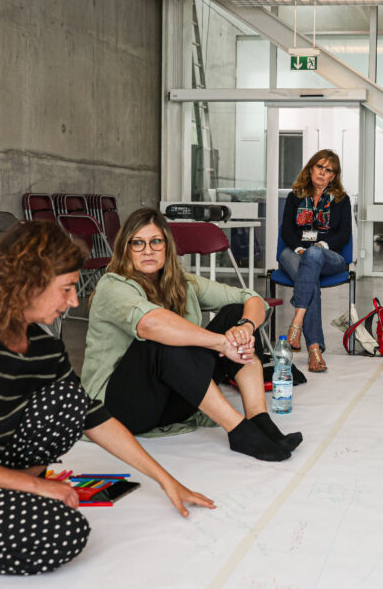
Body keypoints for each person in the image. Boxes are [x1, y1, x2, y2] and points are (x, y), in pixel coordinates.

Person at [0, 221, 214, 589]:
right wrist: (34, 487)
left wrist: (167, 481)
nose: (74, 301)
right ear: (28, 283)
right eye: (66, 289)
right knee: (65, 532)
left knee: (68, 400)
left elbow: (92, 416)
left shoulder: (43, 347)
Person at [82, 208, 300, 462]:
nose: (148, 250)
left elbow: (252, 299)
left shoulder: (181, 281)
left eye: (156, 241)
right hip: (120, 409)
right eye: (138, 243)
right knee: (162, 340)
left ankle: (259, 420)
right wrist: (222, 343)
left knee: (235, 313)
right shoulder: (112, 285)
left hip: (171, 403)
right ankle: (239, 431)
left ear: (167, 246)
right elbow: (150, 324)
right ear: (126, 249)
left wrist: (245, 328)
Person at [277, 149, 352, 372]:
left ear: (333, 176)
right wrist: (301, 249)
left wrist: (319, 247)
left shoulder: (341, 200)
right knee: (310, 279)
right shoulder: (295, 197)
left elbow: (344, 235)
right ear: (311, 169)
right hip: (295, 253)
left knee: (314, 255)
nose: (322, 173)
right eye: (319, 167)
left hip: (330, 256)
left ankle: (297, 321)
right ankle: (314, 350)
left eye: (328, 170)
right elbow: (287, 231)